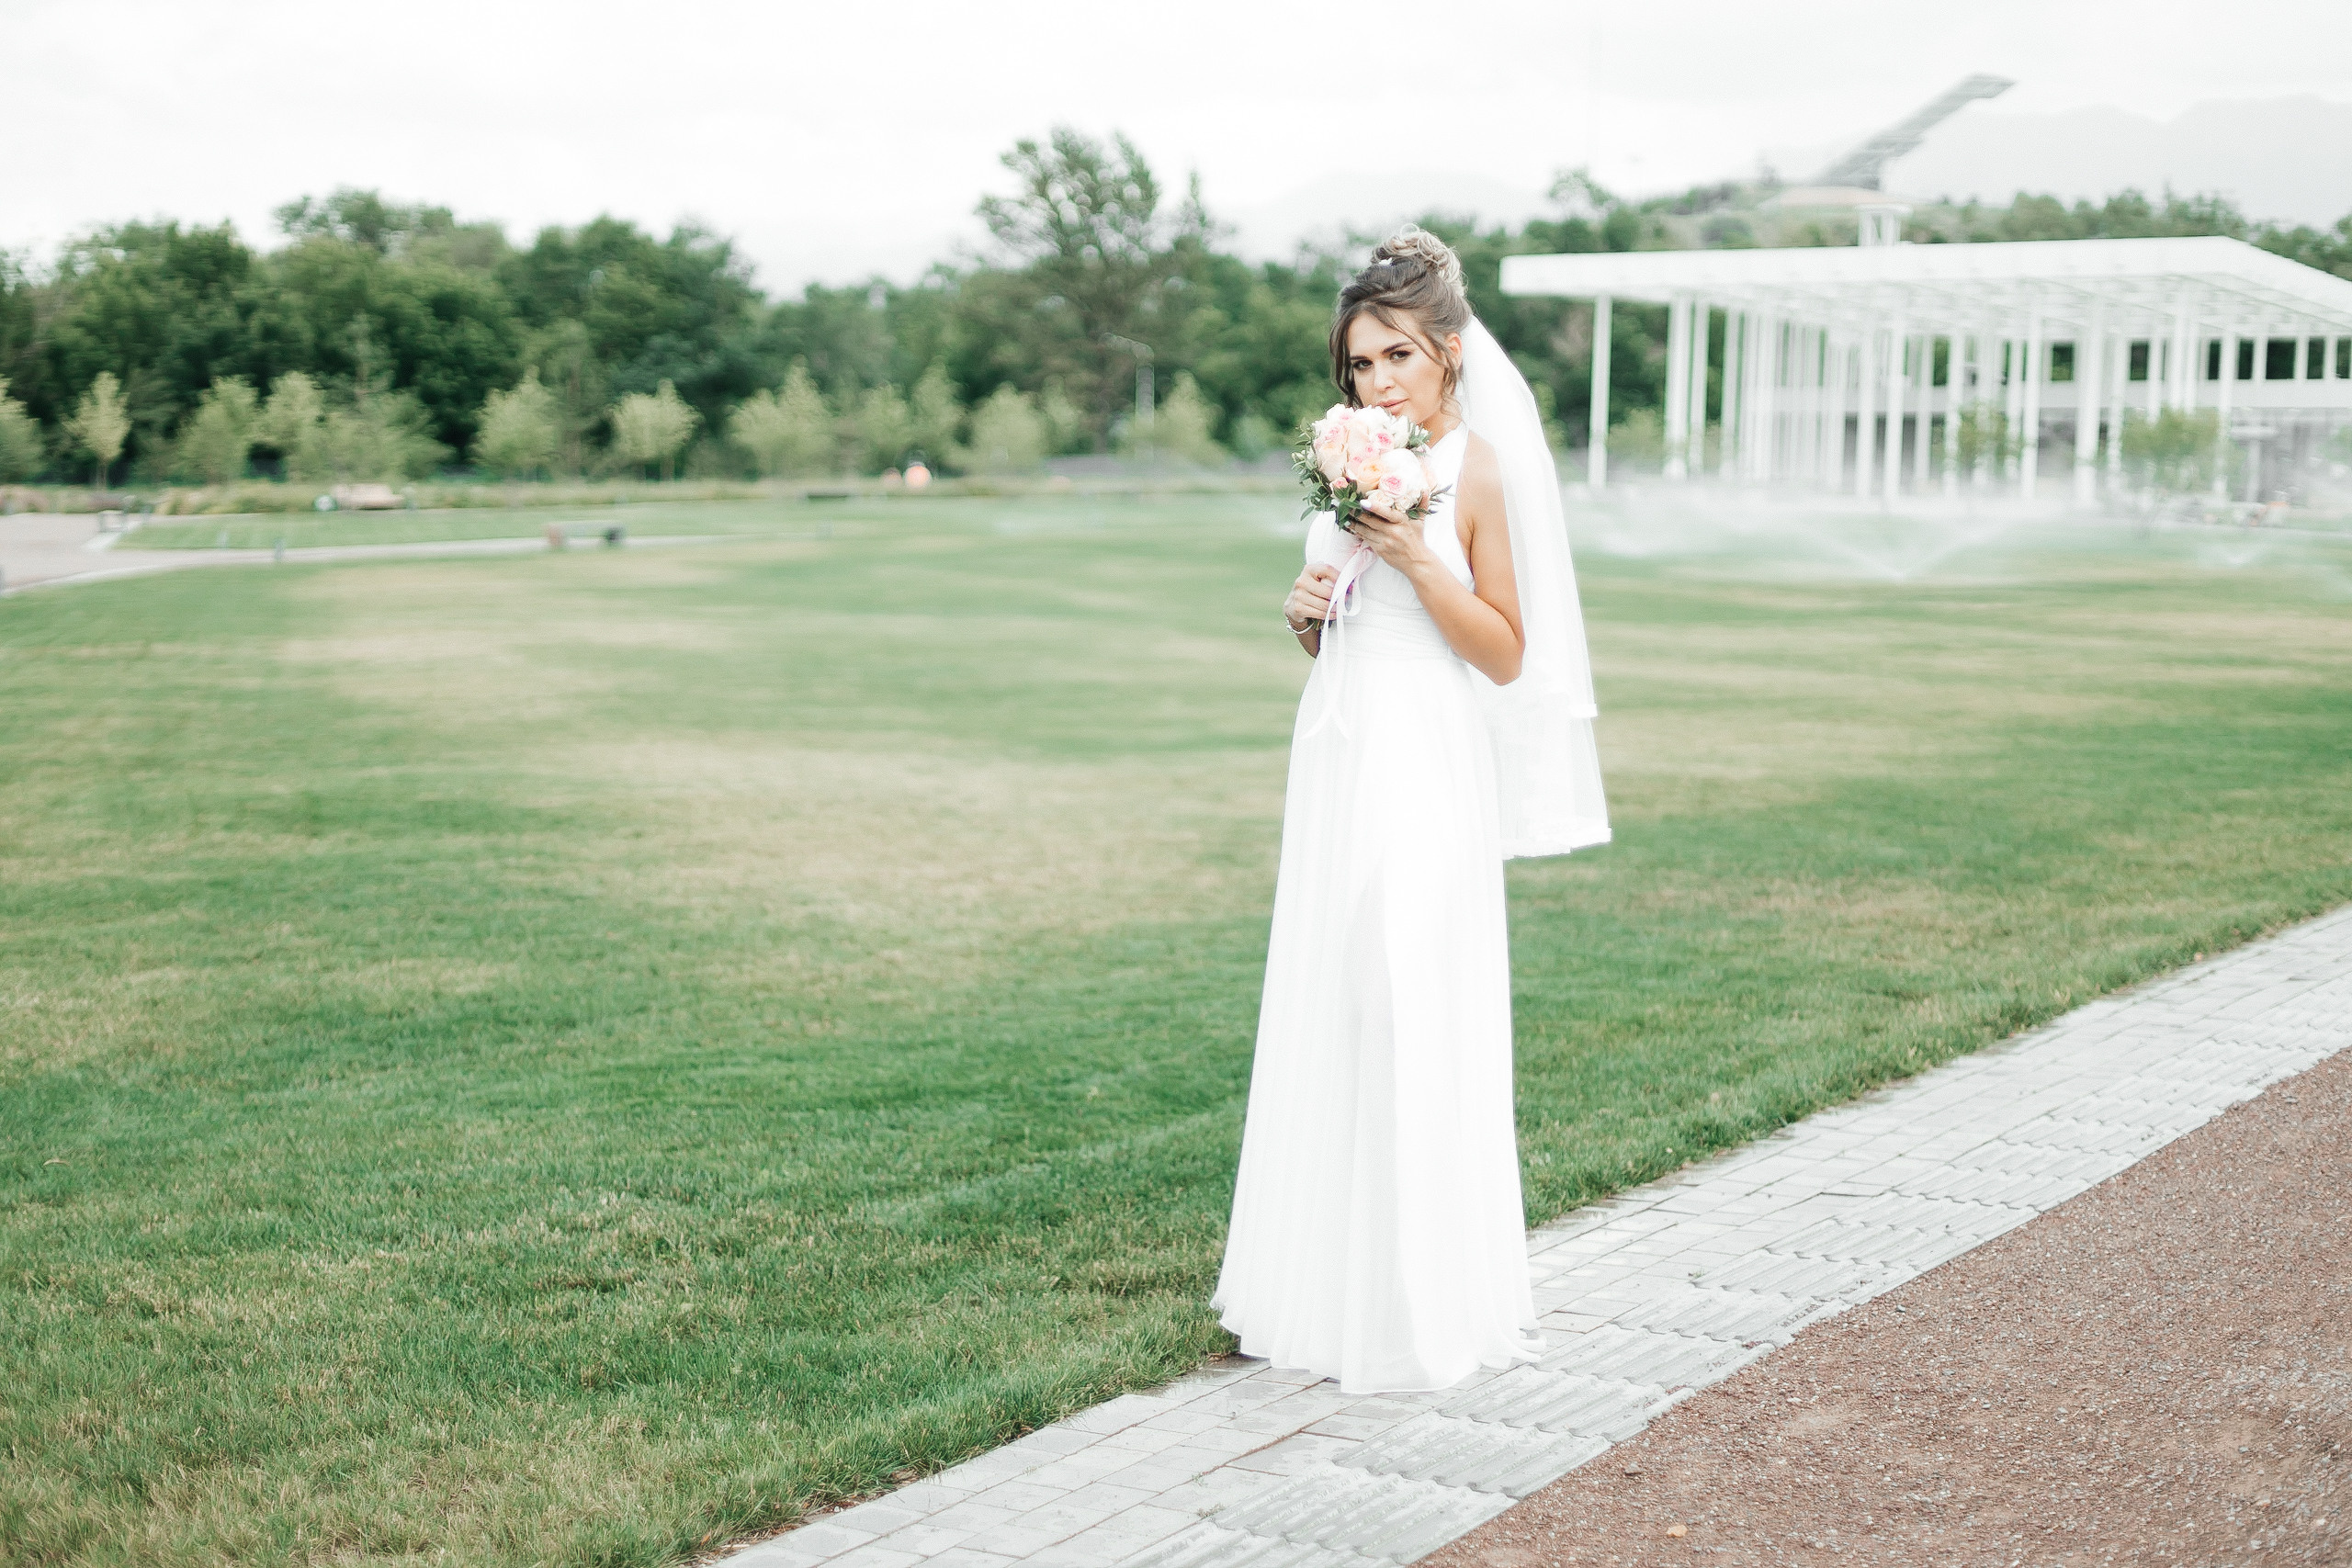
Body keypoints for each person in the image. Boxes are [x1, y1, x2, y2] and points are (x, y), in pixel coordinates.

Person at [1213, 227, 1610, 1393]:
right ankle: (1320, 1285)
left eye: (1392, 358)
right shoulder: (1351, 457)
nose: (1374, 384)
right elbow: (1338, 632)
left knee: (1407, 991)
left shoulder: (1479, 469)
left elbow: (1502, 653)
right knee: (1334, 990)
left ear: (1445, 352)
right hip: (1339, 751)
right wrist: (1306, 610)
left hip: (1428, 753)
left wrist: (1416, 556)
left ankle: (1421, 1293)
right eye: (1356, 367)